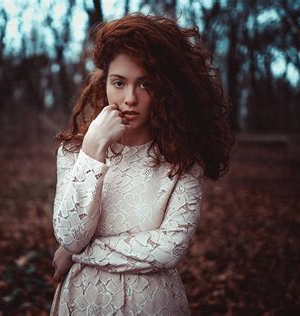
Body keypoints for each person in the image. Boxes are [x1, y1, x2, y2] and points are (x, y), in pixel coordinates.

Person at [50, 13, 234, 315]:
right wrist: (94, 148)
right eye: (119, 83)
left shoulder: (182, 161)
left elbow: (169, 249)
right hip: (83, 302)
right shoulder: (73, 151)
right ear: (104, 82)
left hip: (153, 303)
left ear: (164, 90)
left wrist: (79, 254)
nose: (130, 98)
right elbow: (70, 236)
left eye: (145, 85)